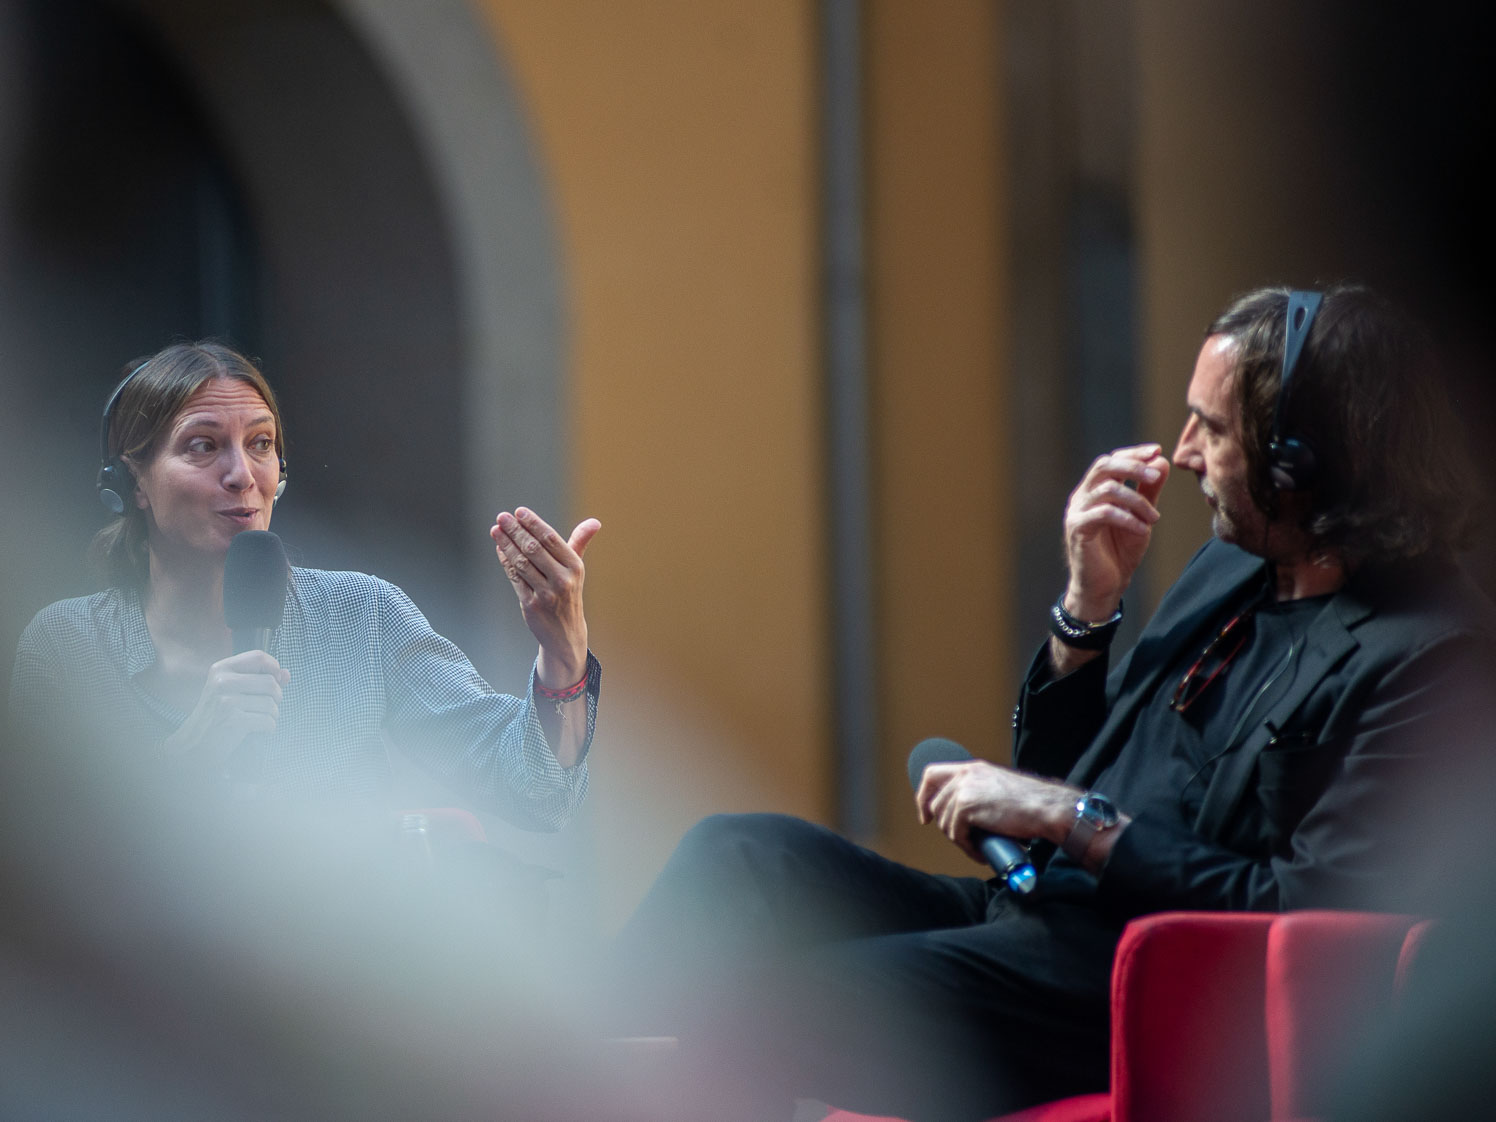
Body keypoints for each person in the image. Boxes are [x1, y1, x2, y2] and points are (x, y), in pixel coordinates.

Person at [610, 284, 1494, 1121]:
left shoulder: (1425, 655)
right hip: (1029, 912)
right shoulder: (1234, 566)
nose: (1184, 450)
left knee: (764, 1003)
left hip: (1131, 985)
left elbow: (1299, 911)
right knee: (739, 855)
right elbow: (1064, 774)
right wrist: (1087, 608)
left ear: (1302, 459)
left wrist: (1072, 820)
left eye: (1215, 428)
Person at [10, 340, 602, 830]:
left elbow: (535, 797)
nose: (242, 475)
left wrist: (563, 656)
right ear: (132, 483)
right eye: (203, 446)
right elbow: (33, 861)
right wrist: (189, 752)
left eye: (261, 444)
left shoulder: (363, 615)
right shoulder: (66, 645)